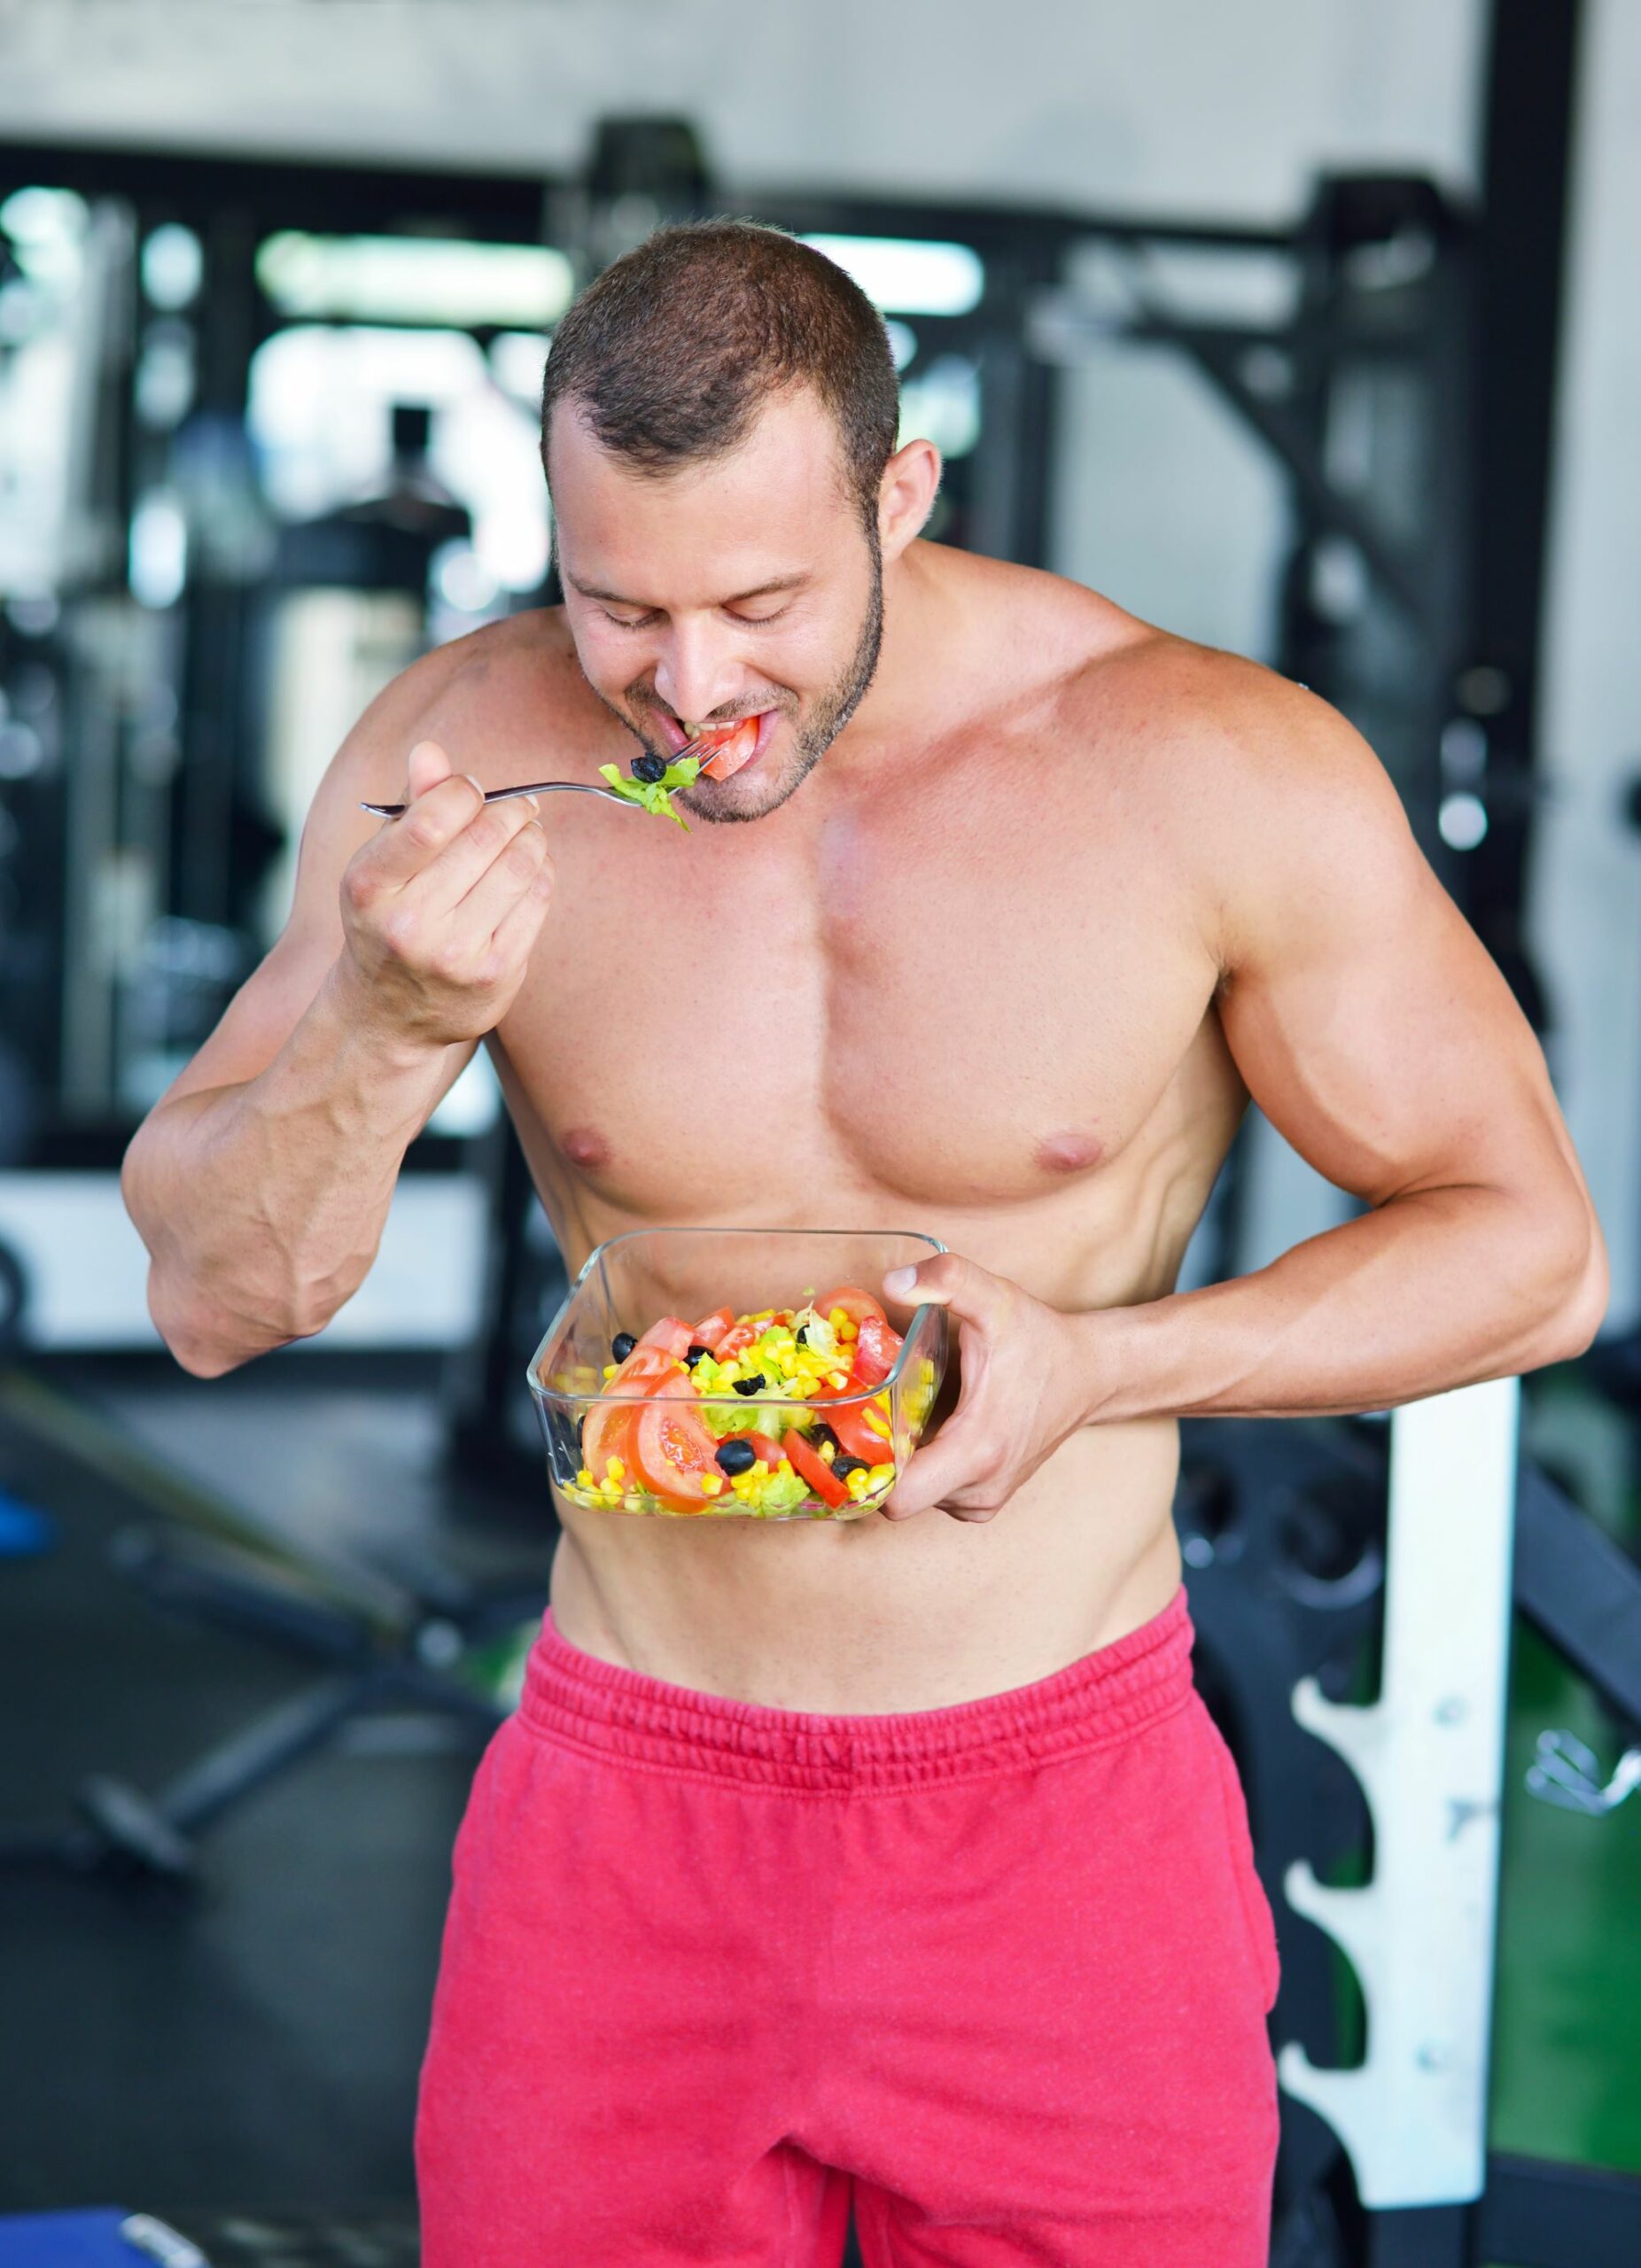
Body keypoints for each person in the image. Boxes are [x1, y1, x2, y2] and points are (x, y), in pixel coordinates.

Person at [122, 221, 1607, 2266]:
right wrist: (382, 1031)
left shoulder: (1196, 762)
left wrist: (1106, 1361)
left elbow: (1529, 1250)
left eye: (761, 601)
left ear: (899, 496)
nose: (694, 688)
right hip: (623, 1817)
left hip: (1056, 1820)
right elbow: (213, 1295)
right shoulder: (456, 756)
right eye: (616, 602)